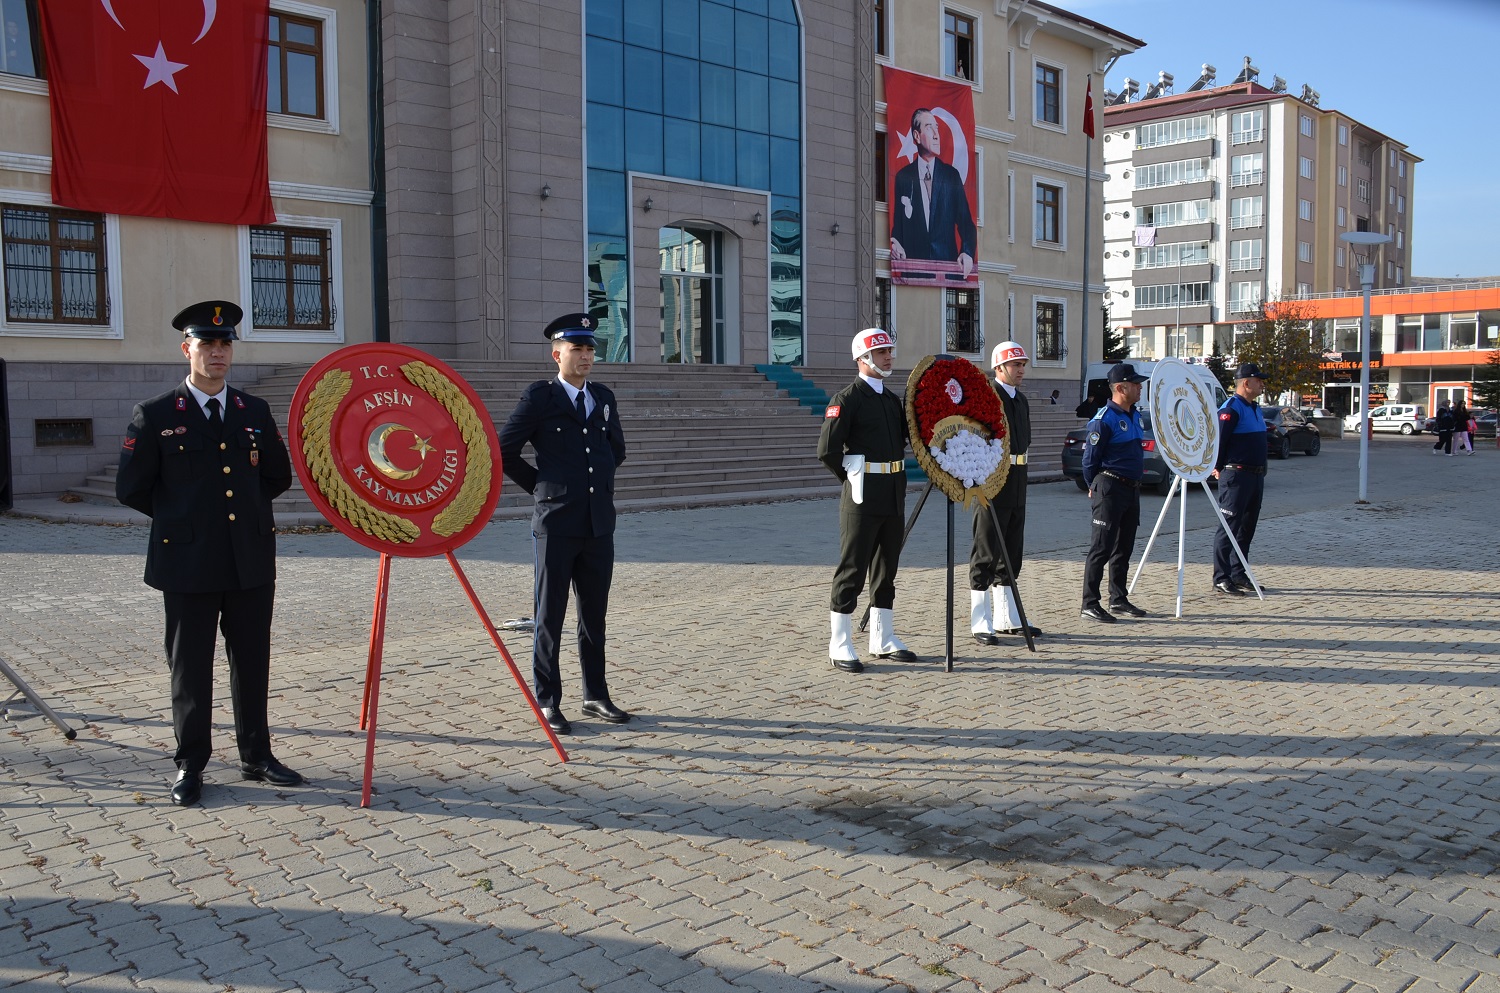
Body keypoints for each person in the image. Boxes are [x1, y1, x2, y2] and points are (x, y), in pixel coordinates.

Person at [115, 300, 301, 807]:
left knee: (252, 660)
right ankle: (190, 764)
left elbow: (276, 477)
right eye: (207, 344)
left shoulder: (253, 411)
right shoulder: (155, 415)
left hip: (249, 559)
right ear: (187, 350)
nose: (218, 353)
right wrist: (185, 521)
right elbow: (131, 488)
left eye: (225, 345)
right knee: (190, 667)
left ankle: (257, 755)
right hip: (187, 562)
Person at [498, 313, 630, 735]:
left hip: (598, 524)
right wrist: (542, 487)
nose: (587, 356)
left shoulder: (603, 396)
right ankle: (548, 701)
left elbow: (616, 451)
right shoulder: (540, 396)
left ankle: (595, 694)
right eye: (578, 349)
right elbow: (504, 450)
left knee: (595, 616)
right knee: (549, 615)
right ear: (558, 354)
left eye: (591, 349)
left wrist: (599, 488)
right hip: (556, 522)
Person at [819, 328, 917, 671]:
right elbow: (828, 451)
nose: (889, 357)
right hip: (861, 495)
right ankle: (840, 642)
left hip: (893, 491)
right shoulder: (846, 399)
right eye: (881, 353)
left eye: (890, 351)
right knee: (853, 568)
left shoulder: (891, 400)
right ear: (863, 359)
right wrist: (852, 476)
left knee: (886, 568)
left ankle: (882, 637)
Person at [970, 341, 1040, 645]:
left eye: (1022, 364)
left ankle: (1007, 616)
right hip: (993, 481)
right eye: (1015, 365)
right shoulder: (988, 397)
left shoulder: (1020, 400)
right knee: (986, 550)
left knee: (1012, 552)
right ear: (999, 368)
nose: (1020, 370)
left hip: (1018, 478)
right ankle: (979, 620)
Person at [1078, 362, 1151, 623]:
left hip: (1131, 489)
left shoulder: (1134, 415)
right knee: (1102, 547)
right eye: (1135, 384)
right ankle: (1089, 602)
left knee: (1124, 547)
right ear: (1120, 388)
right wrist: (1093, 487)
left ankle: (1118, 598)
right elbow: (1089, 460)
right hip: (1110, 486)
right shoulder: (1103, 420)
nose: (1140, 387)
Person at [889, 109, 976, 276]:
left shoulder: (951, 176)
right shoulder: (903, 177)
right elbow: (898, 227)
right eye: (929, 128)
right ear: (916, 136)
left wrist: (967, 252)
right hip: (914, 272)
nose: (937, 134)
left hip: (947, 271)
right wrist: (895, 244)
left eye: (937, 128)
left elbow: (966, 223)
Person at [1211, 363, 1269, 596]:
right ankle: (1221, 577)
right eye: (1259, 380)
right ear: (1246, 383)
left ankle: (1238, 572)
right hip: (1236, 475)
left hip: (1255, 476)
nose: (1263, 383)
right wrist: (1216, 467)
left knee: (1246, 529)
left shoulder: (1254, 408)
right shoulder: (1231, 408)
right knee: (1228, 527)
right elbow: (1219, 440)